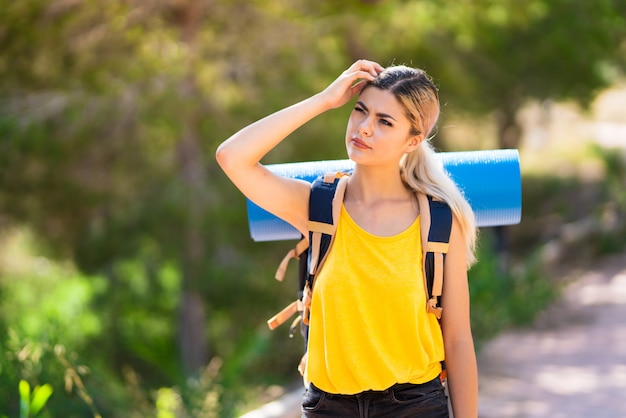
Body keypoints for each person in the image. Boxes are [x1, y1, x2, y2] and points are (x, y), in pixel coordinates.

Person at [216, 60, 478, 418]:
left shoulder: (441, 222)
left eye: (385, 122)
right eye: (360, 111)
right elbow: (232, 157)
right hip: (328, 407)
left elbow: (458, 340)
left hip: (414, 407)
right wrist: (324, 100)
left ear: (413, 140)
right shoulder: (317, 205)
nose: (365, 128)